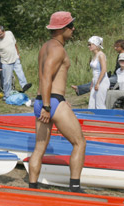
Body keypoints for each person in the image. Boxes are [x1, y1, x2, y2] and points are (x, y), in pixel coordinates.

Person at [28, 11, 86, 193]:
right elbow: (46, 77)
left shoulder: (45, 47)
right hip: (50, 102)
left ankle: (33, 187)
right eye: (71, 26)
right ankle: (75, 187)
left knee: (39, 148)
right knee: (79, 143)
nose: (73, 29)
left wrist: (50, 103)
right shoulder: (58, 49)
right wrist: (48, 106)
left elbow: (50, 78)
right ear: (62, 29)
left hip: (43, 100)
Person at [0, 26, 32, 99]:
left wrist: (18, 54)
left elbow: (15, 44)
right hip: (6, 62)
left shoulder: (9, 33)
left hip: (15, 58)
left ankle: (24, 85)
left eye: (1, 34)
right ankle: (6, 96)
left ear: (4, 31)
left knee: (20, 72)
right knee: (7, 80)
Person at [87, 36, 110, 109]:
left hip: (102, 81)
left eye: (90, 44)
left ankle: (104, 119)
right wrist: (92, 84)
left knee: (99, 104)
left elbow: (103, 70)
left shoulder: (101, 55)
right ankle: (91, 119)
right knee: (91, 104)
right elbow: (94, 72)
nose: (89, 46)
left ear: (96, 45)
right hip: (95, 80)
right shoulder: (95, 55)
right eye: (88, 45)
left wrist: (98, 83)